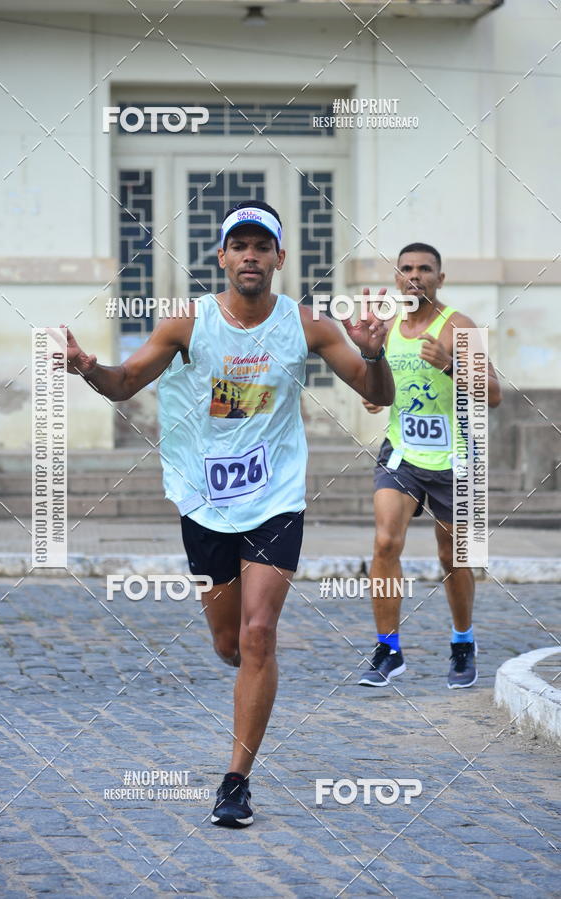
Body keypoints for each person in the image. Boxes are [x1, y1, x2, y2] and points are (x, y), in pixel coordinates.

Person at [62, 200, 395, 827]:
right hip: (204, 500)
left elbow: (375, 395)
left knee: (258, 633)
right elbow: (124, 383)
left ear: (279, 258)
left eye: (261, 246)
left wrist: (374, 355)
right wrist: (87, 369)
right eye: (239, 246)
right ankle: (251, 673)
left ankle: (236, 782)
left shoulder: (309, 325)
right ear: (221, 257)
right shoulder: (187, 324)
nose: (250, 256)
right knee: (228, 643)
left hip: (275, 499)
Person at [358, 242, 502, 690]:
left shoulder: (459, 326)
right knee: (385, 542)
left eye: (424, 269)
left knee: (452, 556)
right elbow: (378, 386)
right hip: (402, 454)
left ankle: (463, 642)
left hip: (456, 458)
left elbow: (495, 394)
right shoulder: (388, 325)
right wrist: (374, 392)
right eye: (407, 269)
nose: (415, 276)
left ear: (440, 278)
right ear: (397, 277)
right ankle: (388, 649)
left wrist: (452, 366)